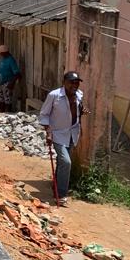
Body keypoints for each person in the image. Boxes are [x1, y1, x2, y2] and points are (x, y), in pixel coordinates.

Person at [38, 71, 84, 206]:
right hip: (57, 133)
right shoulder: (54, 95)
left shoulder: (80, 95)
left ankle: (56, 187)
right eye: (71, 82)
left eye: (76, 83)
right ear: (64, 82)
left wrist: (82, 111)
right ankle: (62, 194)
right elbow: (44, 114)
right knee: (66, 162)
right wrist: (48, 132)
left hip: (73, 133)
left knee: (62, 162)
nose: (74, 85)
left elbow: (77, 110)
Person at [0, 44, 21, 112]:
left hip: (7, 83)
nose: (0, 54)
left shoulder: (11, 60)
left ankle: (7, 113)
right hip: (1, 82)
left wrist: (12, 83)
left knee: (7, 100)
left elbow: (17, 73)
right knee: (1, 99)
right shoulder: (4, 58)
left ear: (4, 53)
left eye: (0, 53)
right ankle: (1, 113)